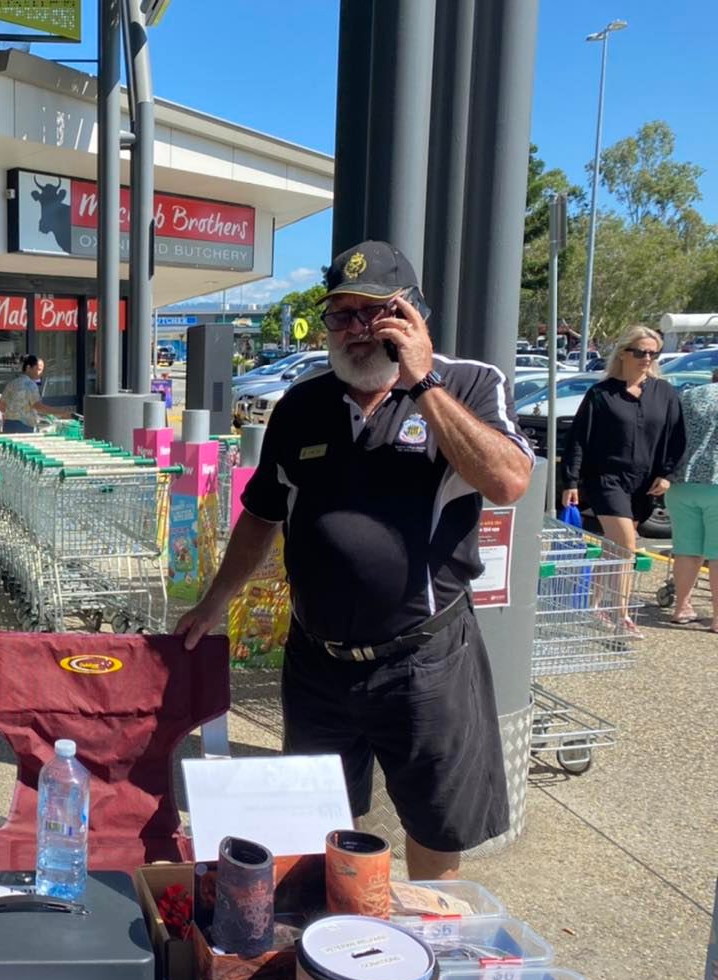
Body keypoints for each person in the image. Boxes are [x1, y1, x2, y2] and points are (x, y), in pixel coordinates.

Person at [176, 240, 533, 881]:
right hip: (319, 663)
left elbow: (507, 480)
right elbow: (262, 515)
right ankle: (332, 944)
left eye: (375, 313)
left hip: (424, 661)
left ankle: (428, 945)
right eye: (341, 315)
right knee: (314, 825)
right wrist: (212, 602)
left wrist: (422, 382)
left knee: (434, 826)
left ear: (413, 313)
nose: (356, 330)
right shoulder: (300, 405)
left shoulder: (470, 384)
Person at [561, 325, 686, 633]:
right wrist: (570, 482)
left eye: (652, 353)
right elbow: (578, 440)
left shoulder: (665, 393)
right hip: (606, 479)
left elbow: (677, 438)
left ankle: (595, 605)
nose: (647, 358)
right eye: (640, 352)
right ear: (624, 353)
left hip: (644, 482)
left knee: (613, 548)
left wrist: (667, 474)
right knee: (627, 544)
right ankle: (621, 614)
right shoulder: (601, 394)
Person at [666, 369, 718, 630]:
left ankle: (682, 607)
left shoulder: (687, 397)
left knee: (687, 549)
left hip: (680, 483)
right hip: (716, 483)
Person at [0, 354, 69, 433]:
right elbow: (38, 407)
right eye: (38, 369)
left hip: (8, 425)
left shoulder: (12, 383)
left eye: (42, 370)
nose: (41, 373)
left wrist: (13, 413)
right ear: (28, 368)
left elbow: (0, 406)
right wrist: (62, 413)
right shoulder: (30, 384)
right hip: (24, 427)